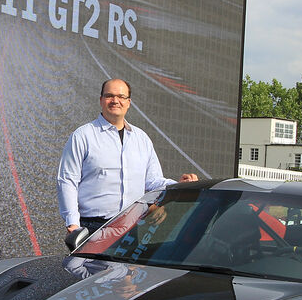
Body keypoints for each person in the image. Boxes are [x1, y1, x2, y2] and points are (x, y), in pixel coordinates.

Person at [57, 78, 197, 233]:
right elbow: (67, 181)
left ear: (128, 102)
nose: (115, 100)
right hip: (92, 227)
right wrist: (73, 224)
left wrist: (178, 185)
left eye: (121, 97)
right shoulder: (83, 136)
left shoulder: (141, 139)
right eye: (109, 95)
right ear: (101, 100)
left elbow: (152, 181)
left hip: (131, 227)